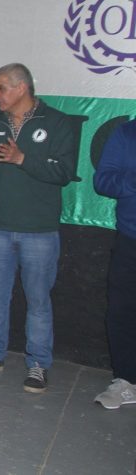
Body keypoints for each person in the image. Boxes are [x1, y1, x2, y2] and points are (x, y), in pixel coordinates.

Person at [0, 63, 77, 393]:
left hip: (39, 230)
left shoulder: (56, 122)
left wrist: (22, 158)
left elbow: (64, 171)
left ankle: (38, 364)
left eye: (0, 88)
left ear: (21, 88)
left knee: (38, 301)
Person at [93, 117, 136, 409]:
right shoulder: (127, 133)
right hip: (131, 239)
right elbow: (103, 181)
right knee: (122, 311)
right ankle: (125, 380)